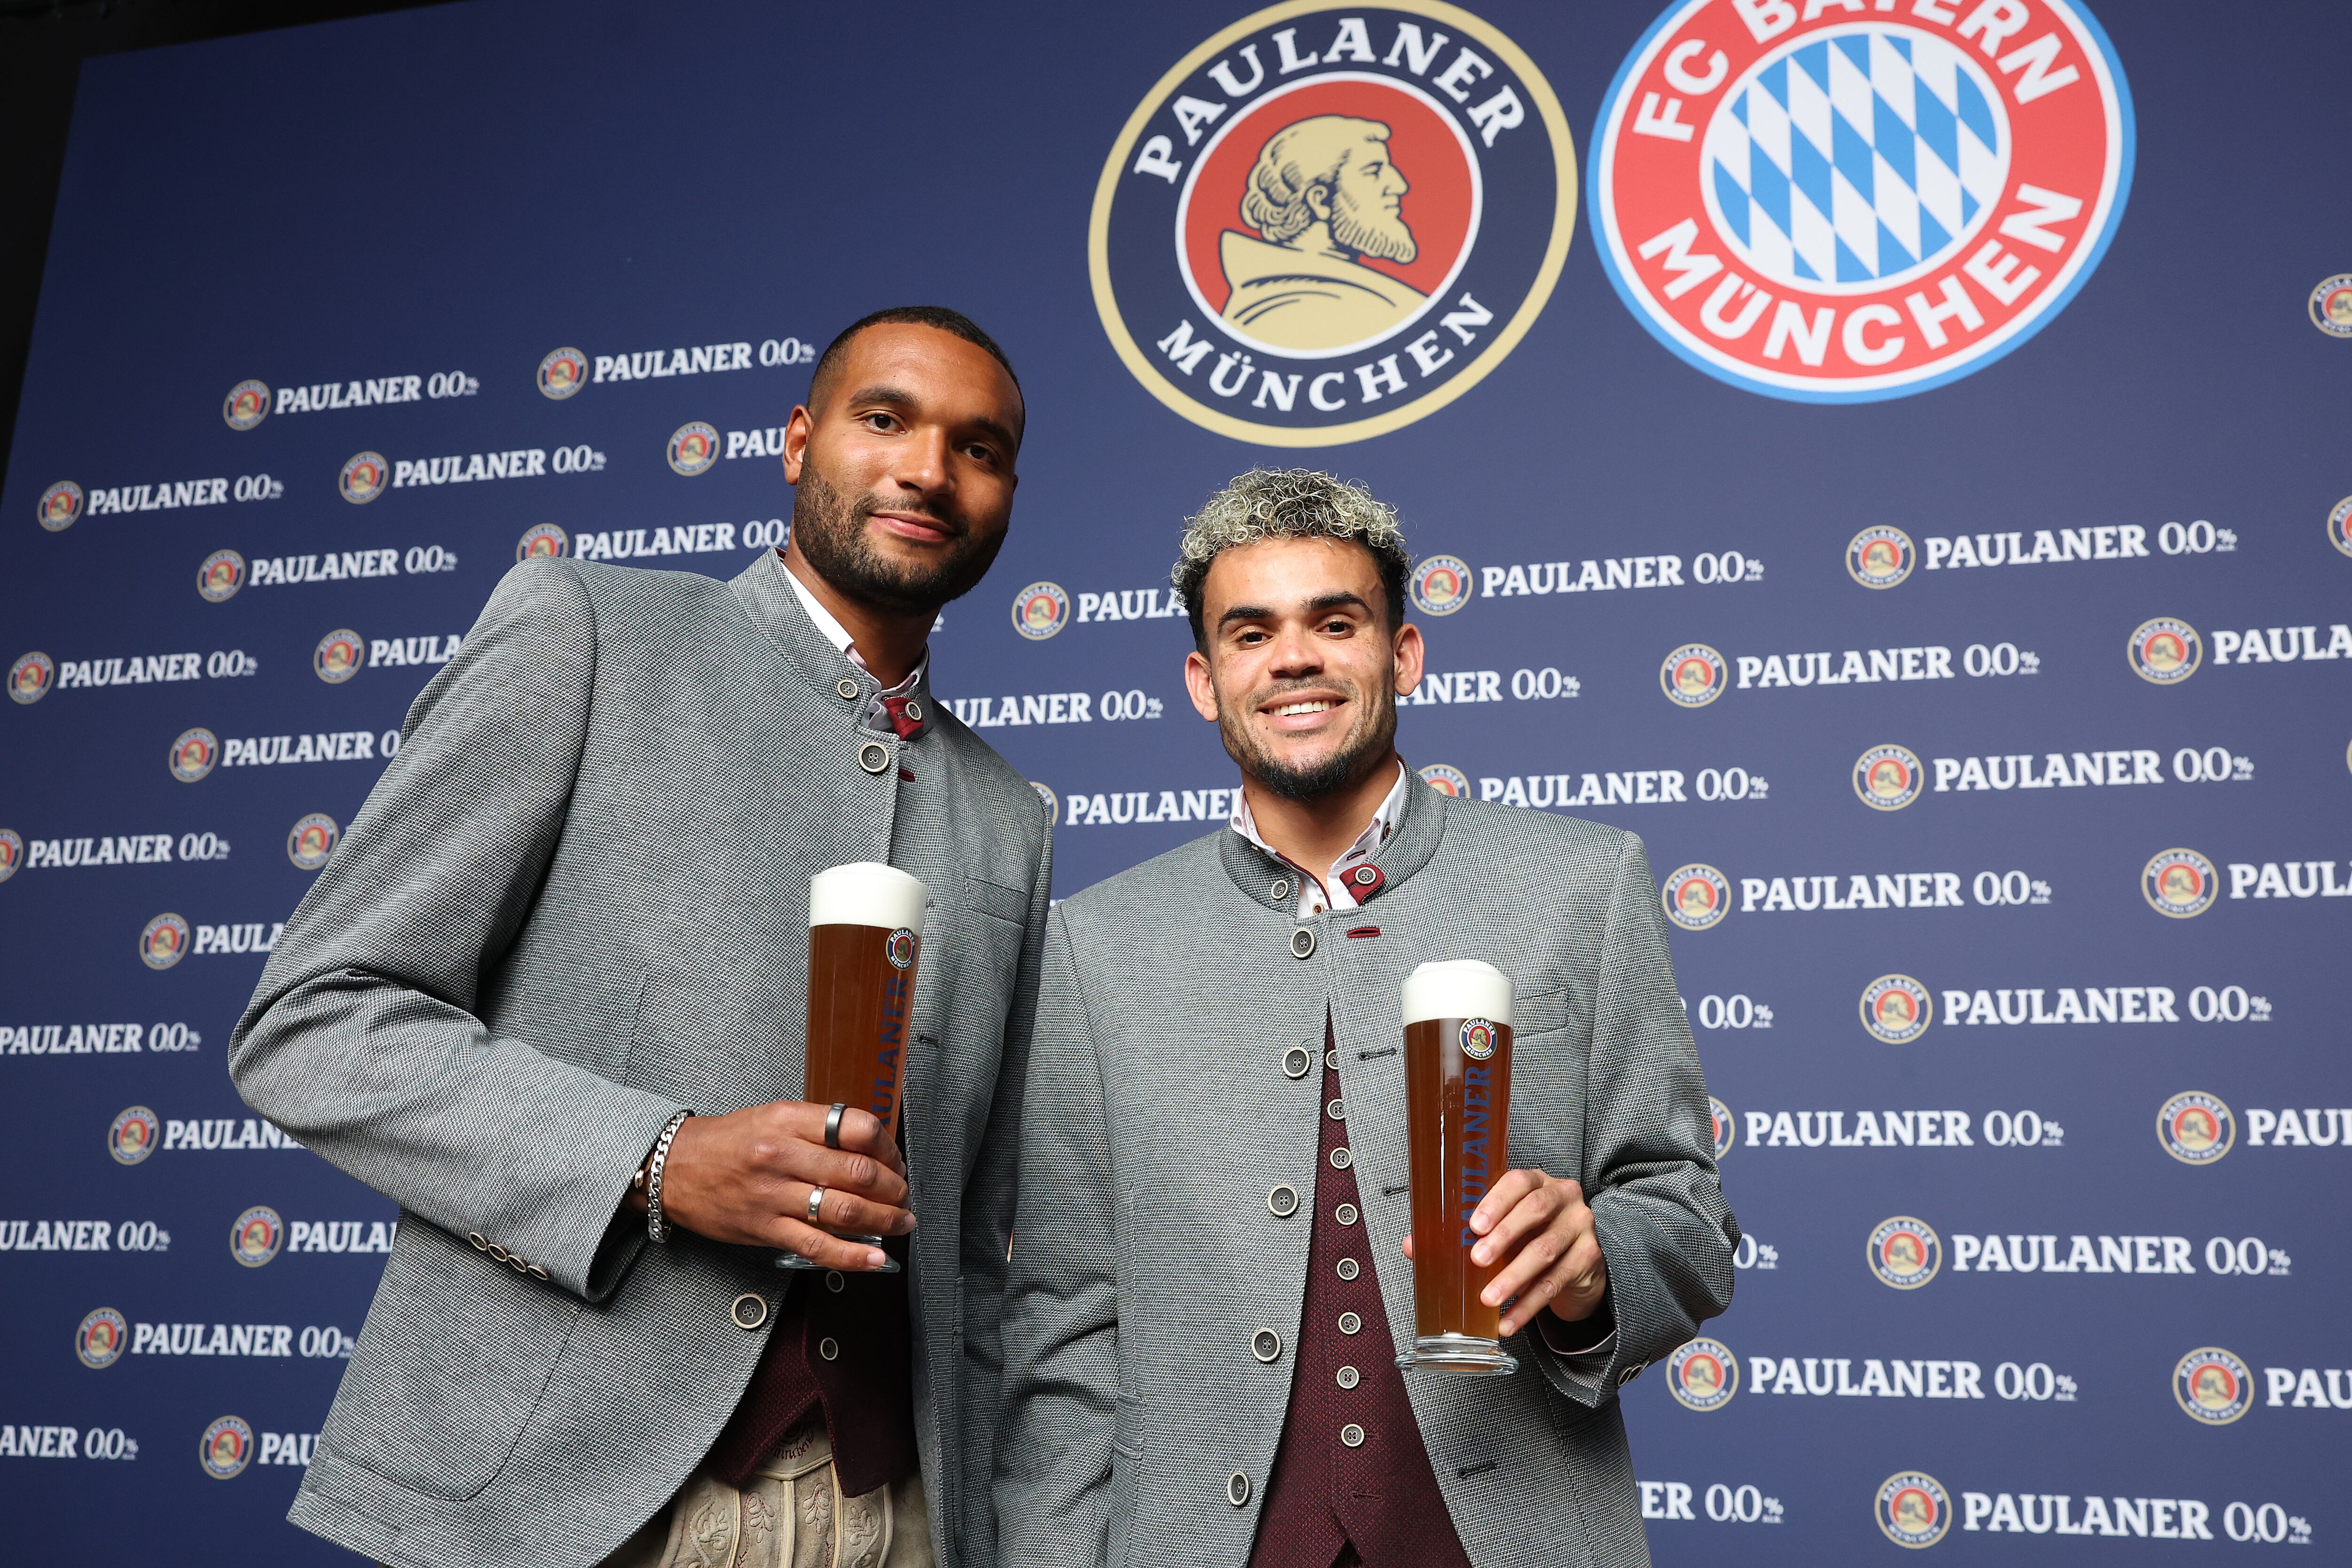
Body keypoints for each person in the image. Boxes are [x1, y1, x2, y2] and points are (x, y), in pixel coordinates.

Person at [230, 306, 1051, 1568]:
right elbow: (317, 1018)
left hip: (899, 1515)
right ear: (797, 441)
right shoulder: (588, 631)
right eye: (884, 418)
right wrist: (655, 1159)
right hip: (566, 1503)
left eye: (978, 446)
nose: (928, 470)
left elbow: (982, 1241)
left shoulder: (1009, 816)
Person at [994, 468, 1734, 1568]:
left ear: (1402, 654)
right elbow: (1063, 1324)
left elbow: (1686, 1218)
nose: (1293, 657)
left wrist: (1593, 1269)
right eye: (1251, 633)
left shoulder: (1582, 882)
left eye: (1334, 621)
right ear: (1205, 681)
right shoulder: (1098, 945)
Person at [1220, 115, 1428, 350]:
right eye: (1373, 172)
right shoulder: (1293, 309)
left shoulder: (1344, 295)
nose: (1400, 185)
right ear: (1321, 201)